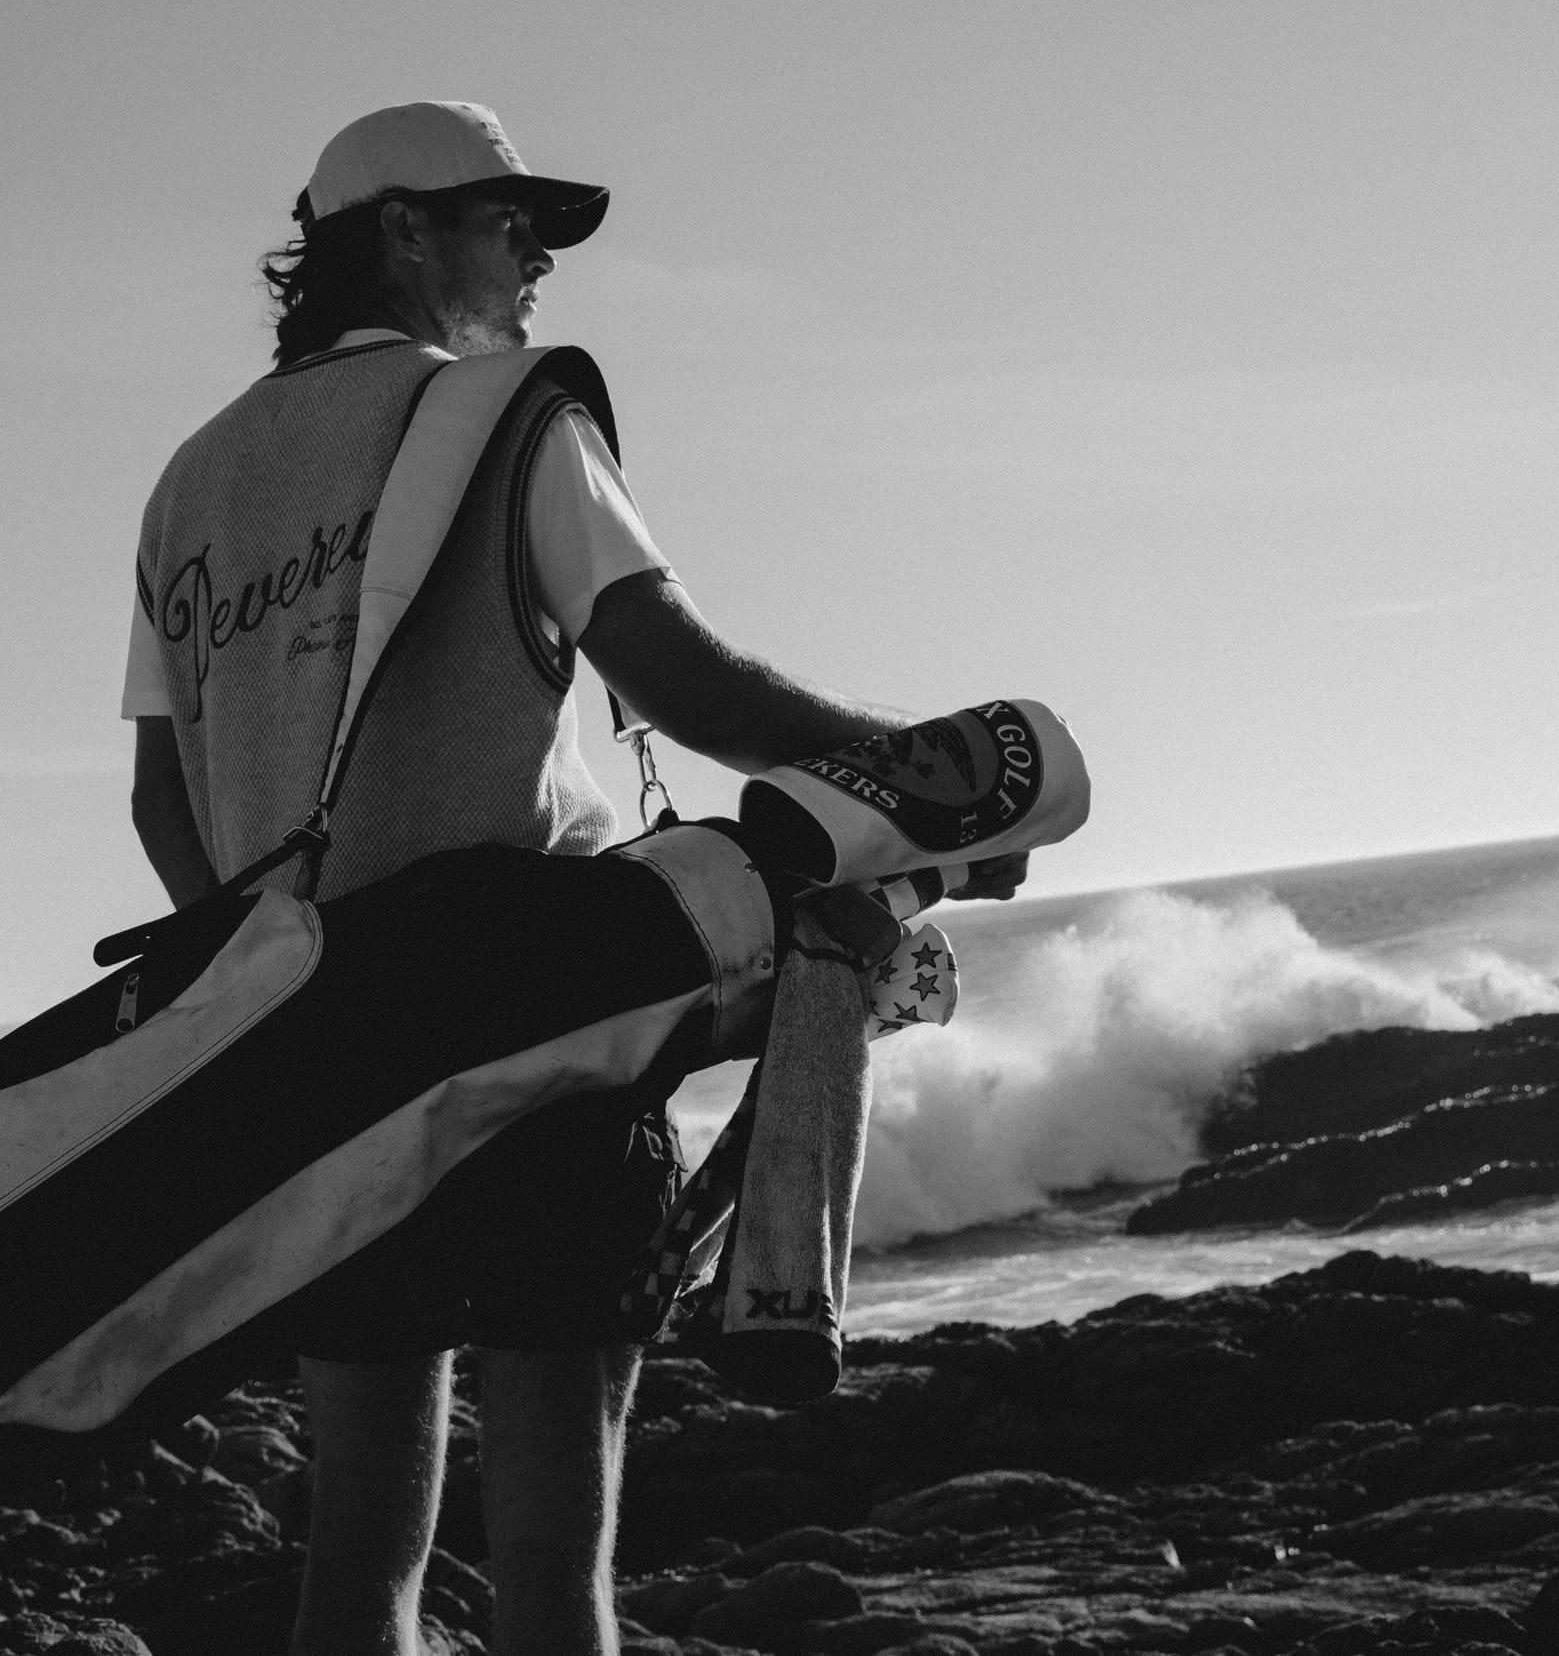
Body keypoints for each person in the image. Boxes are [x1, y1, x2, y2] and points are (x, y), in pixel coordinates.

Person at [121, 101, 1022, 1656]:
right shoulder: (506, 415)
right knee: (549, 1574)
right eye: (505, 217)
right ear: (401, 231)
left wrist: (281, 975)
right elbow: (682, 680)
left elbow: (161, 796)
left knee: (355, 1573)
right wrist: (922, 774)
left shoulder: (191, 485)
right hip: (544, 1043)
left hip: (323, 1058)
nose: (536, 253)